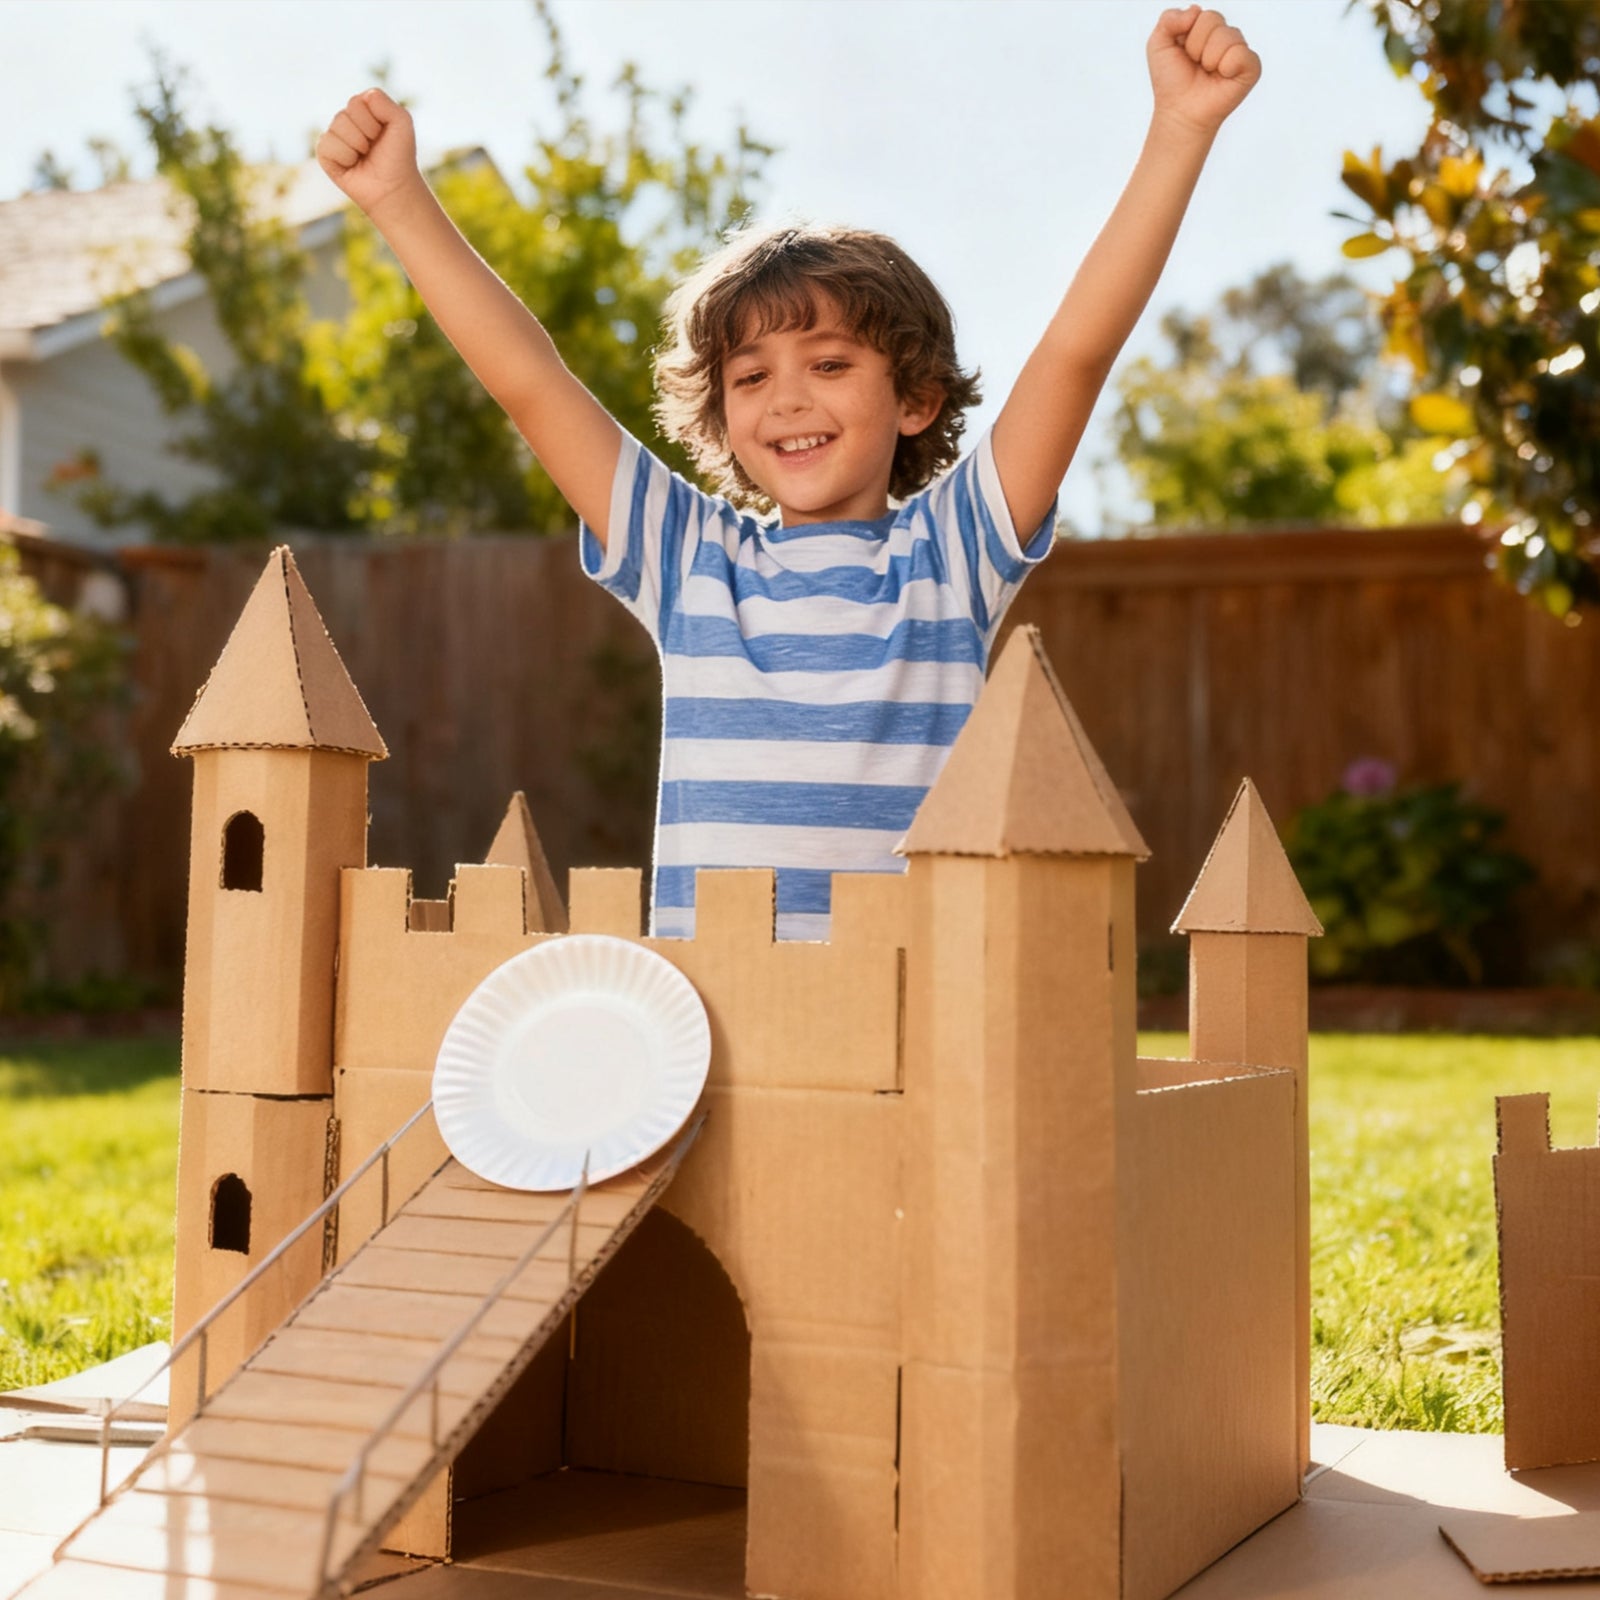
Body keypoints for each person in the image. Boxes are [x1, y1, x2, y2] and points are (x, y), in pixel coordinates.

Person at [317, 6, 1260, 939]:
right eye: (752, 377)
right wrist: (400, 200)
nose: (787, 400)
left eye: (831, 364)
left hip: (913, 1019)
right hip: (720, 1024)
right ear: (723, 414)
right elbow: (530, 383)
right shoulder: (689, 559)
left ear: (916, 400)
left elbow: (1074, 356)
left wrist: (1180, 129)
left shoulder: (949, 555)